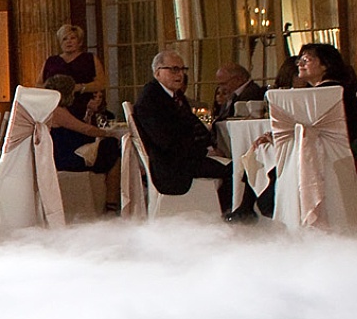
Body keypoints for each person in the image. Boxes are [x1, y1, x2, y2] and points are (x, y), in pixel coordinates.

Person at [130, 47, 233, 212]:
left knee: (234, 165)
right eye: (174, 69)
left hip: (183, 158)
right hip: (172, 166)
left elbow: (194, 124)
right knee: (235, 170)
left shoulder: (174, 96)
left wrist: (209, 147)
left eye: (182, 69)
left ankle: (228, 212)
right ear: (157, 73)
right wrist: (202, 151)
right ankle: (231, 215)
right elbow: (165, 141)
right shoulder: (151, 100)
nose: (180, 75)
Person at [44, 76, 122, 210]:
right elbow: (85, 129)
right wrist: (108, 133)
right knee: (112, 147)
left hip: (64, 153)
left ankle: (111, 201)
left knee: (111, 148)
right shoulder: (57, 111)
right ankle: (112, 202)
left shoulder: (53, 108)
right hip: (66, 158)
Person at [296, 42, 357, 172]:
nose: (299, 64)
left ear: (326, 65)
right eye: (299, 60)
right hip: (354, 156)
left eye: (306, 60)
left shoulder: (326, 92)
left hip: (341, 160)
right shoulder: (338, 88)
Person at [41, 24, 105, 93]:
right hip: (57, 101)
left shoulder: (89, 58)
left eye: (72, 38)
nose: (69, 41)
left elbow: (101, 84)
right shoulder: (51, 61)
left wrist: (80, 87)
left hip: (84, 101)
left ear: (79, 42)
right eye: (64, 39)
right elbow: (39, 85)